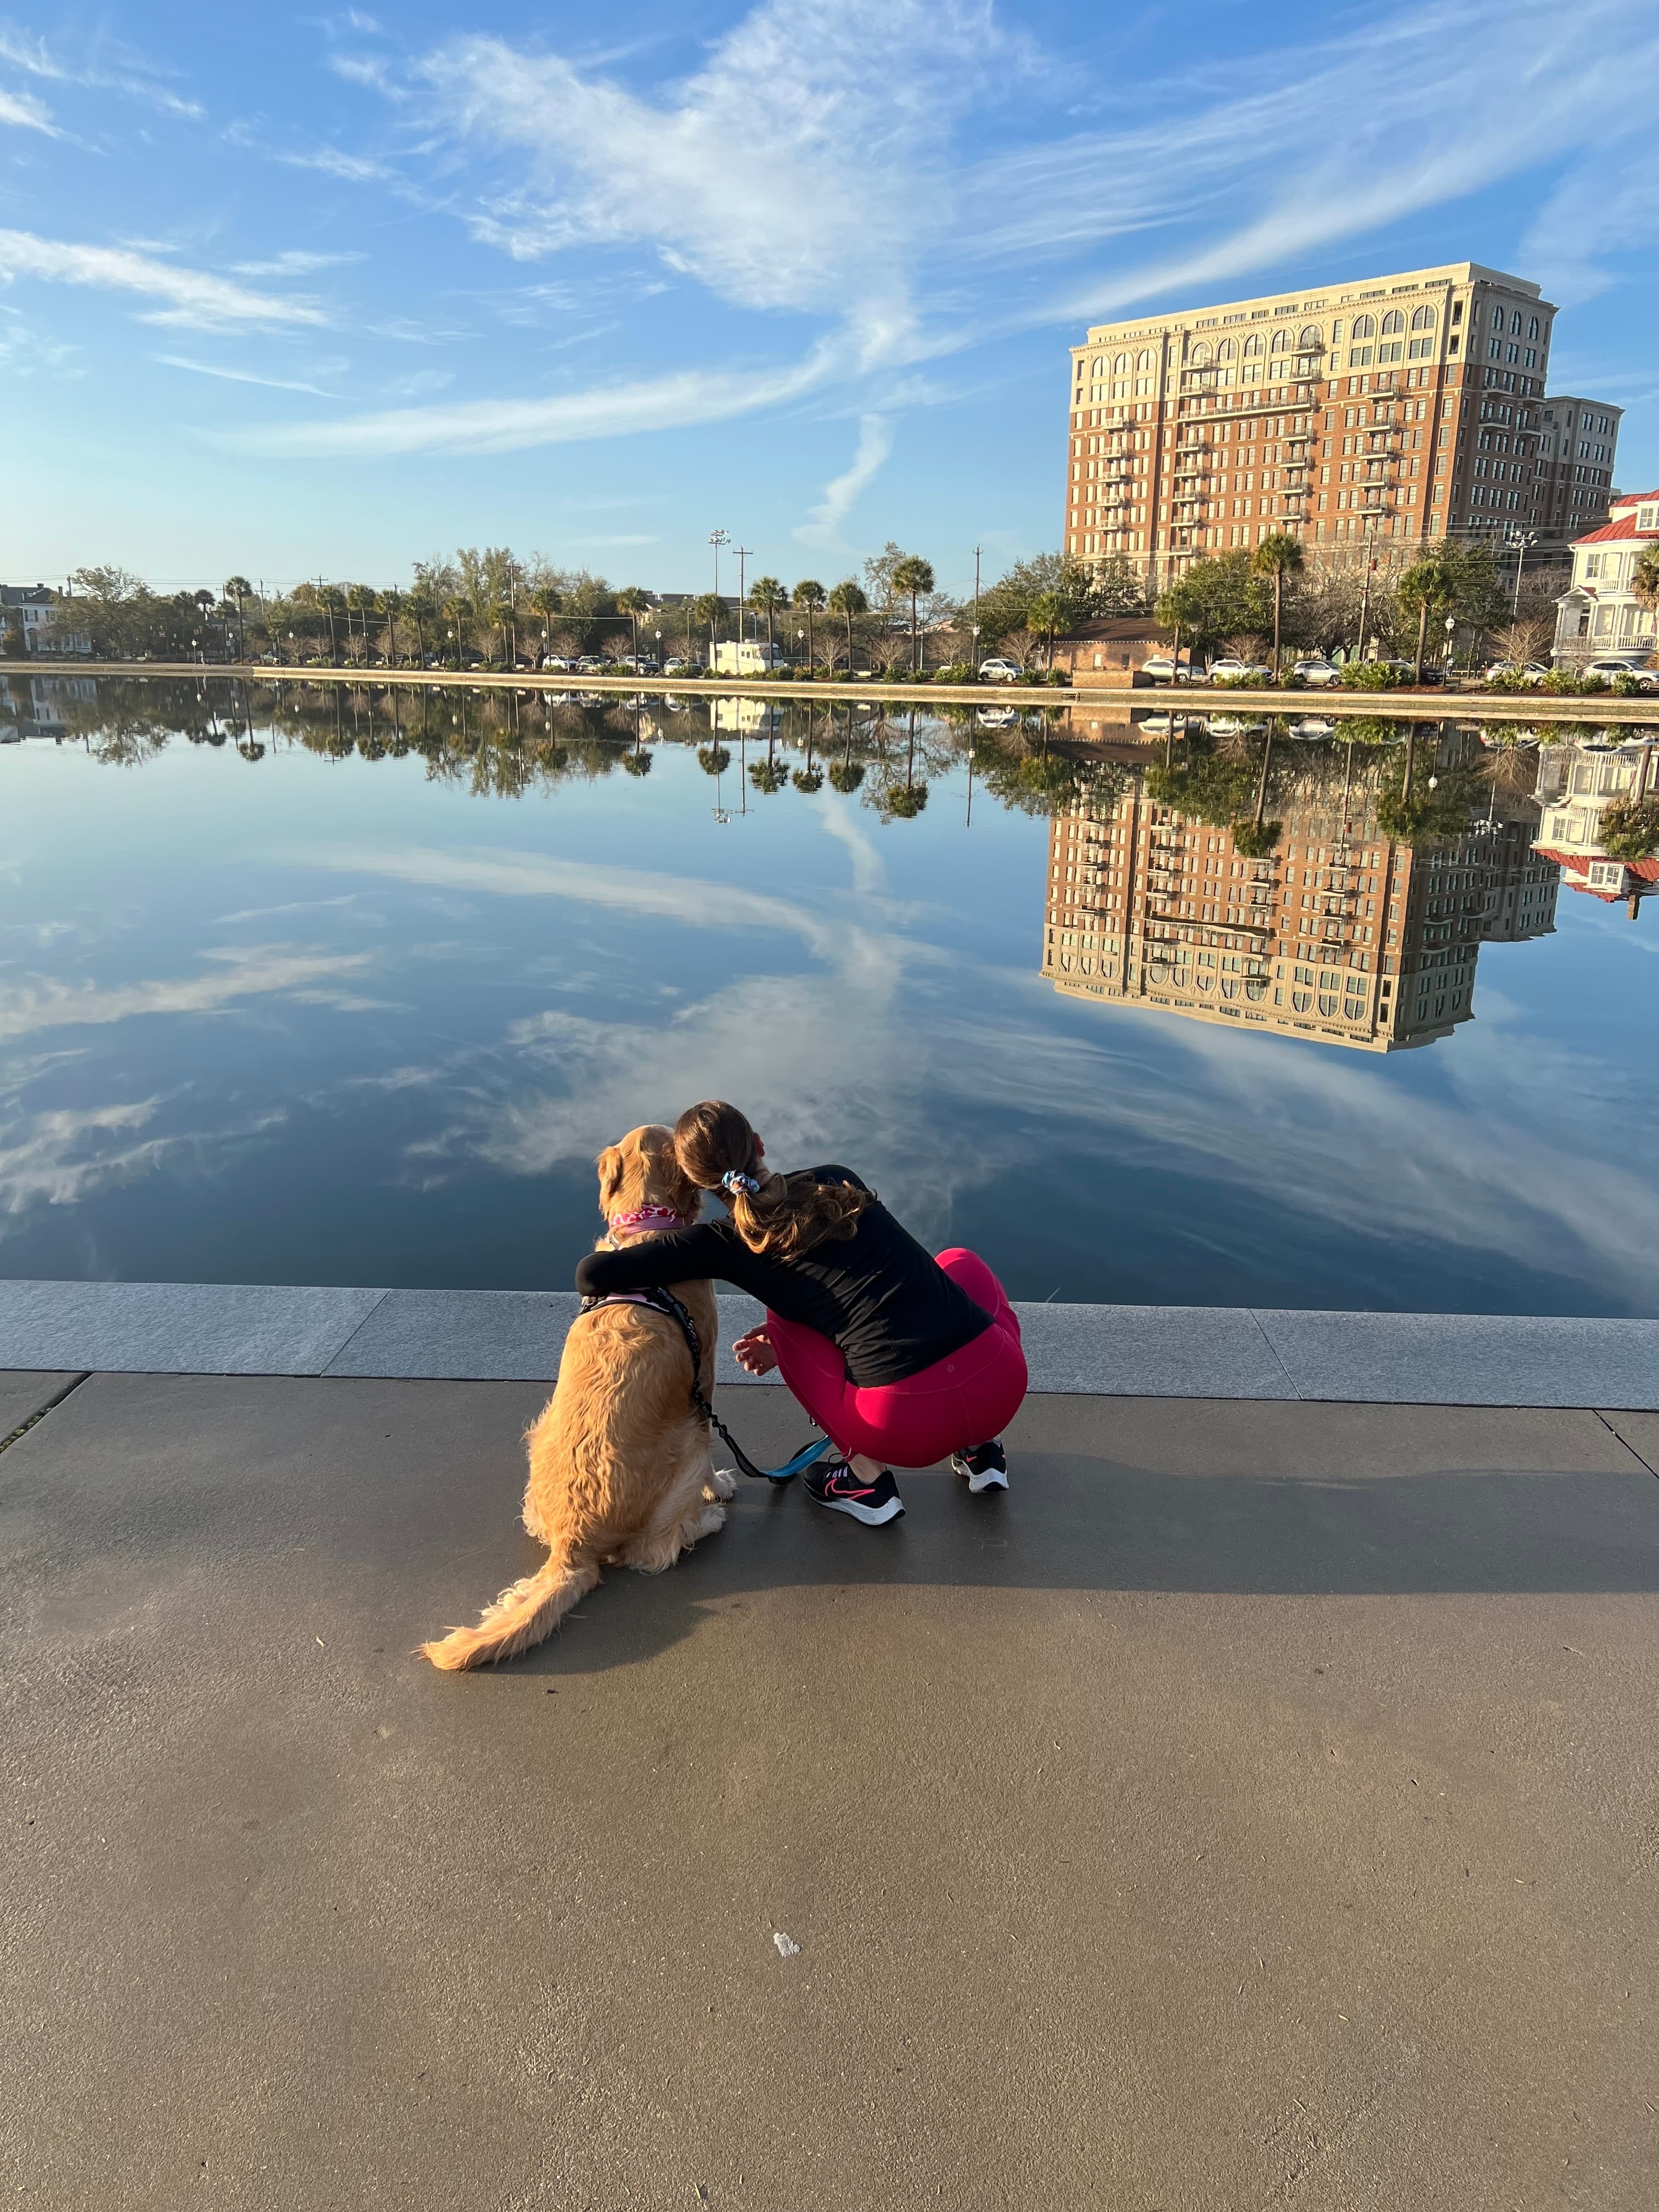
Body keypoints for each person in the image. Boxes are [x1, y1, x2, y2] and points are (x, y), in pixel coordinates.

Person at [573, 1101, 1027, 1527]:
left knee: (782, 1324)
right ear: (759, 1145)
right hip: (1002, 1386)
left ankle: (868, 1485)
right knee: (958, 1263)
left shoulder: (723, 1244)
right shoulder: (836, 1177)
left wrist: (779, 1343)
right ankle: (981, 1451)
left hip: (905, 1428)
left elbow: (592, 1274)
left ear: (698, 1184)